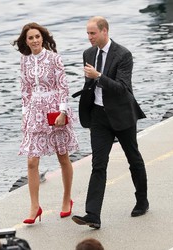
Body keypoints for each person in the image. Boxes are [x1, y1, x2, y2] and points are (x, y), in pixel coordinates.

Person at [71, 16, 148, 229]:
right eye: (87, 33)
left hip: (122, 114)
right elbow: (90, 83)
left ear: (105, 31)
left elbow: (122, 88)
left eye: (92, 33)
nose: (89, 37)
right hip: (99, 117)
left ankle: (142, 200)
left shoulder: (123, 54)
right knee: (98, 164)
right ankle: (93, 214)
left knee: (134, 158)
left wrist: (98, 76)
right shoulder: (88, 53)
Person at [12, 22, 79, 224]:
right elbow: (25, 90)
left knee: (62, 156)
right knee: (32, 160)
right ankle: (34, 206)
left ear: (43, 38)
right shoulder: (24, 61)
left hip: (54, 110)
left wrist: (62, 111)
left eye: (37, 37)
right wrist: (25, 115)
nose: (34, 40)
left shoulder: (54, 58)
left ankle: (67, 199)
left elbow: (63, 87)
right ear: (26, 41)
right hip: (34, 111)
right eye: (30, 38)